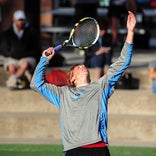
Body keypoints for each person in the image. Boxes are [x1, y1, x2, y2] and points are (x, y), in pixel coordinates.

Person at [30, 11, 136, 156]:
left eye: (82, 65)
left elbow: (123, 62)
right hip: (73, 149)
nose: (81, 66)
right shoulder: (63, 93)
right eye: (76, 68)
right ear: (71, 79)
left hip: (98, 148)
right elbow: (36, 84)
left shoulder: (100, 87)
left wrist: (130, 32)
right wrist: (44, 60)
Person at [0, 10, 41, 89]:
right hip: (12, 58)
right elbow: (3, 49)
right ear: (14, 20)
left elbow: (36, 48)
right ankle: (22, 80)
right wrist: (12, 53)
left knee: (25, 63)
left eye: (22, 20)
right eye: (19, 20)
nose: (21, 22)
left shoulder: (32, 33)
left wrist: (25, 53)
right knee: (11, 66)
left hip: (28, 57)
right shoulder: (7, 33)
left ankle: (13, 80)